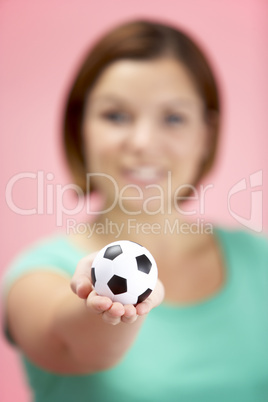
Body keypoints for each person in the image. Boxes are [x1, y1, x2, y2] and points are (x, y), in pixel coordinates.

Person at [2, 19, 268, 402]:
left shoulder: (258, 260)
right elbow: (79, 343)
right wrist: (105, 303)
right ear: (80, 128)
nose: (143, 142)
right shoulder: (37, 276)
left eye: (173, 118)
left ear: (205, 135)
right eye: (116, 115)